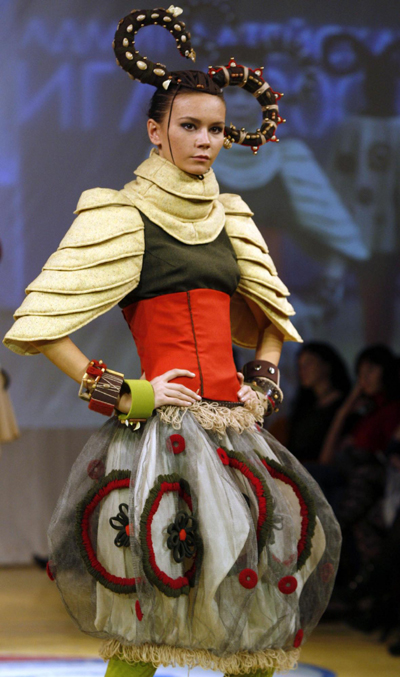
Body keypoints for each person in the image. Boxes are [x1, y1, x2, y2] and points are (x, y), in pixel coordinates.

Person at [3, 7, 341, 677]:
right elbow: (40, 325)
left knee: (254, 611)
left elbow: (273, 314)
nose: (205, 140)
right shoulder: (122, 214)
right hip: (162, 435)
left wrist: (264, 375)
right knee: (146, 619)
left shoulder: (232, 216)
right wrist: (126, 392)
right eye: (189, 126)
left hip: (236, 432)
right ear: (156, 132)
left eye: (215, 128)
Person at [287, 342, 351, 465]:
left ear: (326, 365)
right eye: (300, 366)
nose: (303, 370)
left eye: (309, 363)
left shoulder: (345, 404)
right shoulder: (304, 405)